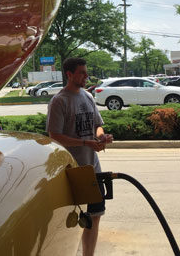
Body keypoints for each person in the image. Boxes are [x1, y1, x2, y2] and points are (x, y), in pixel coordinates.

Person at [46, 57, 113, 256]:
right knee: (69, 219)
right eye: (82, 72)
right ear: (69, 74)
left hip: (92, 168)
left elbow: (96, 125)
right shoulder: (59, 101)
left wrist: (101, 136)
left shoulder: (88, 97)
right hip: (71, 171)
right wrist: (85, 142)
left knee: (95, 216)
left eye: (86, 72)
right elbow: (54, 136)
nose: (86, 76)